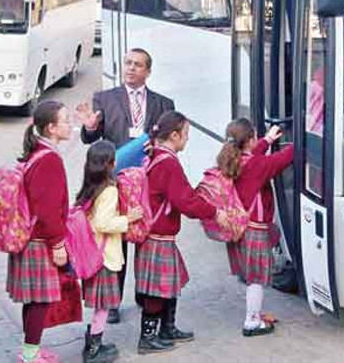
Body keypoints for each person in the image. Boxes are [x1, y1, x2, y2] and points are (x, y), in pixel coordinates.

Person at [78, 48, 175, 324]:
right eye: (128, 63)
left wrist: (155, 145)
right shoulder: (104, 98)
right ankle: (112, 303)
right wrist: (90, 127)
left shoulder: (164, 104)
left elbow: (170, 141)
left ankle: (146, 297)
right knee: (115, 242)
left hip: (147, 183)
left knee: (144, 238)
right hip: (114, 182)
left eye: (138, 65)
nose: (131, 68)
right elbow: (91, 138)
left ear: (148, 71)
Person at [135, 111, 230, 354]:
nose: (187, 140)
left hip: (158, 234)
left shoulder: (156, 155)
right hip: (158, 236)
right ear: (174, 135)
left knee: (170, 283)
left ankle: (168, 328)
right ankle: (147, 338)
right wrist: (214, 212)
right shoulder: (168, 162)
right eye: (186, 135)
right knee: (157, 289)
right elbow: (185, 201)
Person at [7, 101, 72, 363]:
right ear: (52, 128)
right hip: (41, 241)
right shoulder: (50, 159)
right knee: (41, 300)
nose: (70, 125)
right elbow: (47, 208)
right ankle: (31, 354)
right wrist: (57, 244)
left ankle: (29, 349)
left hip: (31, 238)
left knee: (33, 300)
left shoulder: (38, 153)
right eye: (66, 120)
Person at [219, 119, 294, 337]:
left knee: (252, 276)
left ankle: (255, 314)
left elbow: (255, 156)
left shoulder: (233, 159)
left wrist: (268, 139)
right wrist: (306, 135)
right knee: (257, 279)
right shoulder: (255, 166)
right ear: (249, 140)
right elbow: (282, 159)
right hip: (254, 229)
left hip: (241, 227)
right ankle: (251, 322)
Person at [76, 140, 143, 363]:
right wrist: (128, 219)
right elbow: (103, 223)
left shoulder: (90, 187)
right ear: (111, 163)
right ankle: (94, 349)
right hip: (104, 258)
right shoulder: (109, 190)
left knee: (100, 305)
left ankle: (92, 342)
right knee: (103, 307)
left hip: (93, 254)